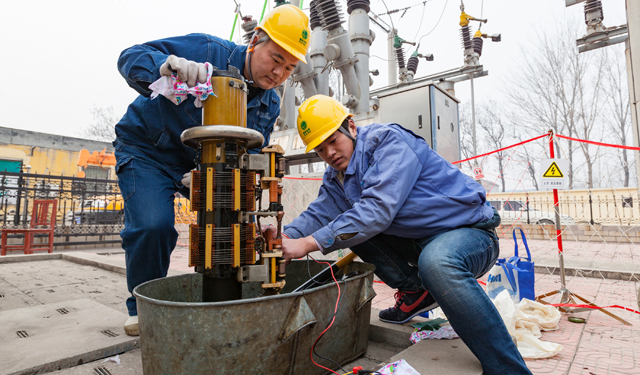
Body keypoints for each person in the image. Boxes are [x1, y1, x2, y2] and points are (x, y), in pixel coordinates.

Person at [278, 95, 532, 374]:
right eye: (319, 149)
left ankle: (509, 369)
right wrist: (284, 237)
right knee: (351, 228)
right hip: (421, 241)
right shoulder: (336, 177)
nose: (329, 153)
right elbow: (319, 214)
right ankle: (415, 293)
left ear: (350, 126)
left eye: (332, 141)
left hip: (470, 234)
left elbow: (376, 210)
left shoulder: (387, 142)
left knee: (436, 263)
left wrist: (309, 243)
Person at [113, 4, 310, 336]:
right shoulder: (207, 51)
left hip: (201, 168)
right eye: (276, 59)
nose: (279, 73)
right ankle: (142, 309)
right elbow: (129, 56)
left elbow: (251, 156)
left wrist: (259, 220)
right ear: (255, 41)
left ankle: (223, 297)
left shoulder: (269, 104)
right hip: (148, 150)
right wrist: (162, 68)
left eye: (289, 68)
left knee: (232, 222)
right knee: (152, 226)